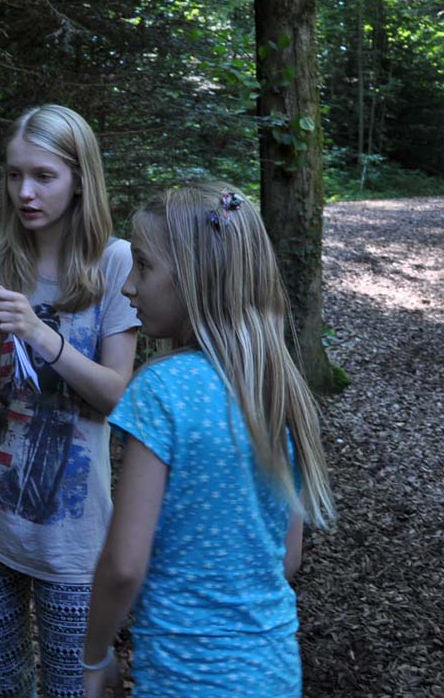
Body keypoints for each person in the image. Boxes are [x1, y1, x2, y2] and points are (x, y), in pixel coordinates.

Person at [80, 182, 336, 698]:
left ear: (195, 278)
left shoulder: (161, 390)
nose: (128, 287)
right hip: (274, 671)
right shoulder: (278, 388)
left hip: (185, 677)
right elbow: (287, 559)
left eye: (143, 266)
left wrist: (95, 655)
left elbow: (124, 565)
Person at [0, 105, 141, 698]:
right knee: (8, 685)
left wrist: (39, 333)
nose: (25, 193)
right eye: (15, 175)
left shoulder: (116, 264)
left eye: (43, 176)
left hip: (73, 533)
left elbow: (115, 396)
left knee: (69, 687)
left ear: (80, 179)